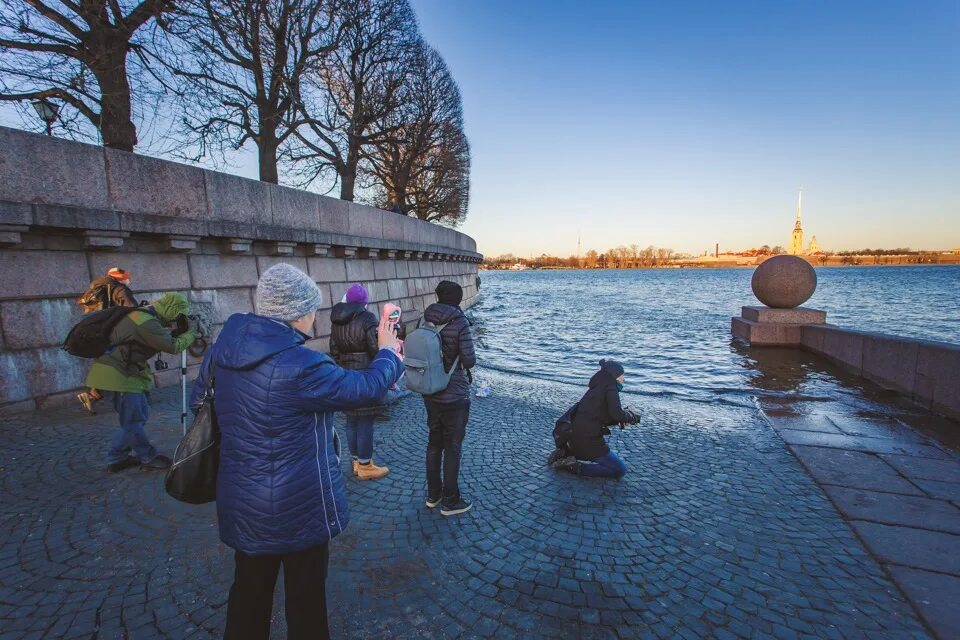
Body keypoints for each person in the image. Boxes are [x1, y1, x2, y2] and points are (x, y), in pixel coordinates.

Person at [191, 263, 402, 640]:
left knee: (248, 592)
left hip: (242, 496)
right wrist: (388, 354)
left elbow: (199, 404)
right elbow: (366, 389)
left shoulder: (222, 349)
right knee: (305, 599)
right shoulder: (301, 364)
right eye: (312, 311)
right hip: (298, 502)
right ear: (300, 312)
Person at [86, 292, 198, 473]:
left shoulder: (144, 315)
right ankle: (147, 457)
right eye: (178, 315)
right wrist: (192, 334)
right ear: (170, 310)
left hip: (124, 373)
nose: (177, 320)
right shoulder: (145, 321)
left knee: (137, 416)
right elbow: (172, 346)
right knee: (134, 420)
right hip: (119, 375)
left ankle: (117, 458)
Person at [422, 280, 476, 516]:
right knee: (452, 447)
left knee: (434, 443)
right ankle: (451, 501)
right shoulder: (459, 321)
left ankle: (433, 495)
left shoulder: (426, 318)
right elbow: (469, 359)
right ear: (456, 298)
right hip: (454, 393)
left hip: (430, 390)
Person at [329, 283, 389, 480]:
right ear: (364, 302)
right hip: (366, 374)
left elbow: (334, 350)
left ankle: (355, 462)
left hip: (346, 374)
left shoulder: (336, 319)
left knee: (351, 418)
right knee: (365, 420)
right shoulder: (367, 318)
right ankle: (365, 465)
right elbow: (375, 347)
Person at [551, 359, 638, 478]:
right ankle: (574, 467)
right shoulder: (611, 388)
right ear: (615, 376)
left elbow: (600, 414)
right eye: (622, 375)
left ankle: (566, 453)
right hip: (588, 439)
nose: (624, 379)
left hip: (575, 435)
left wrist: (622, 418)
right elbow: (616, 413)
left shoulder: (597, 388)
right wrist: (631, 417)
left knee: (587, 450)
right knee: (619, 470)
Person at [77, 267, 139, 413]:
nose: (127, 280)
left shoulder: (96, 288)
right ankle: (128, 397)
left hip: (97, 333)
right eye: (125, 277)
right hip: (114, 332)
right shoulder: (120, 289)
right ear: (119, 278)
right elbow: (132, 309)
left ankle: (93, 394)